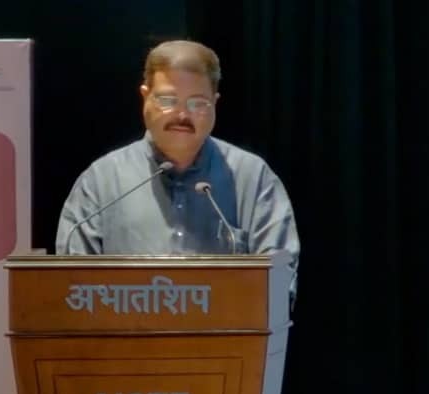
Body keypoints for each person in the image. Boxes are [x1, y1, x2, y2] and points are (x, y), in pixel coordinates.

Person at [55, 40, 300, 293]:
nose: (182, 115)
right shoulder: (101, 181)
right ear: (144, 96)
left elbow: (279, 283)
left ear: (215, 103)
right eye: (168, 100)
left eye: (197, 103)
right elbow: (73, 286)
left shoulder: (253, 178)